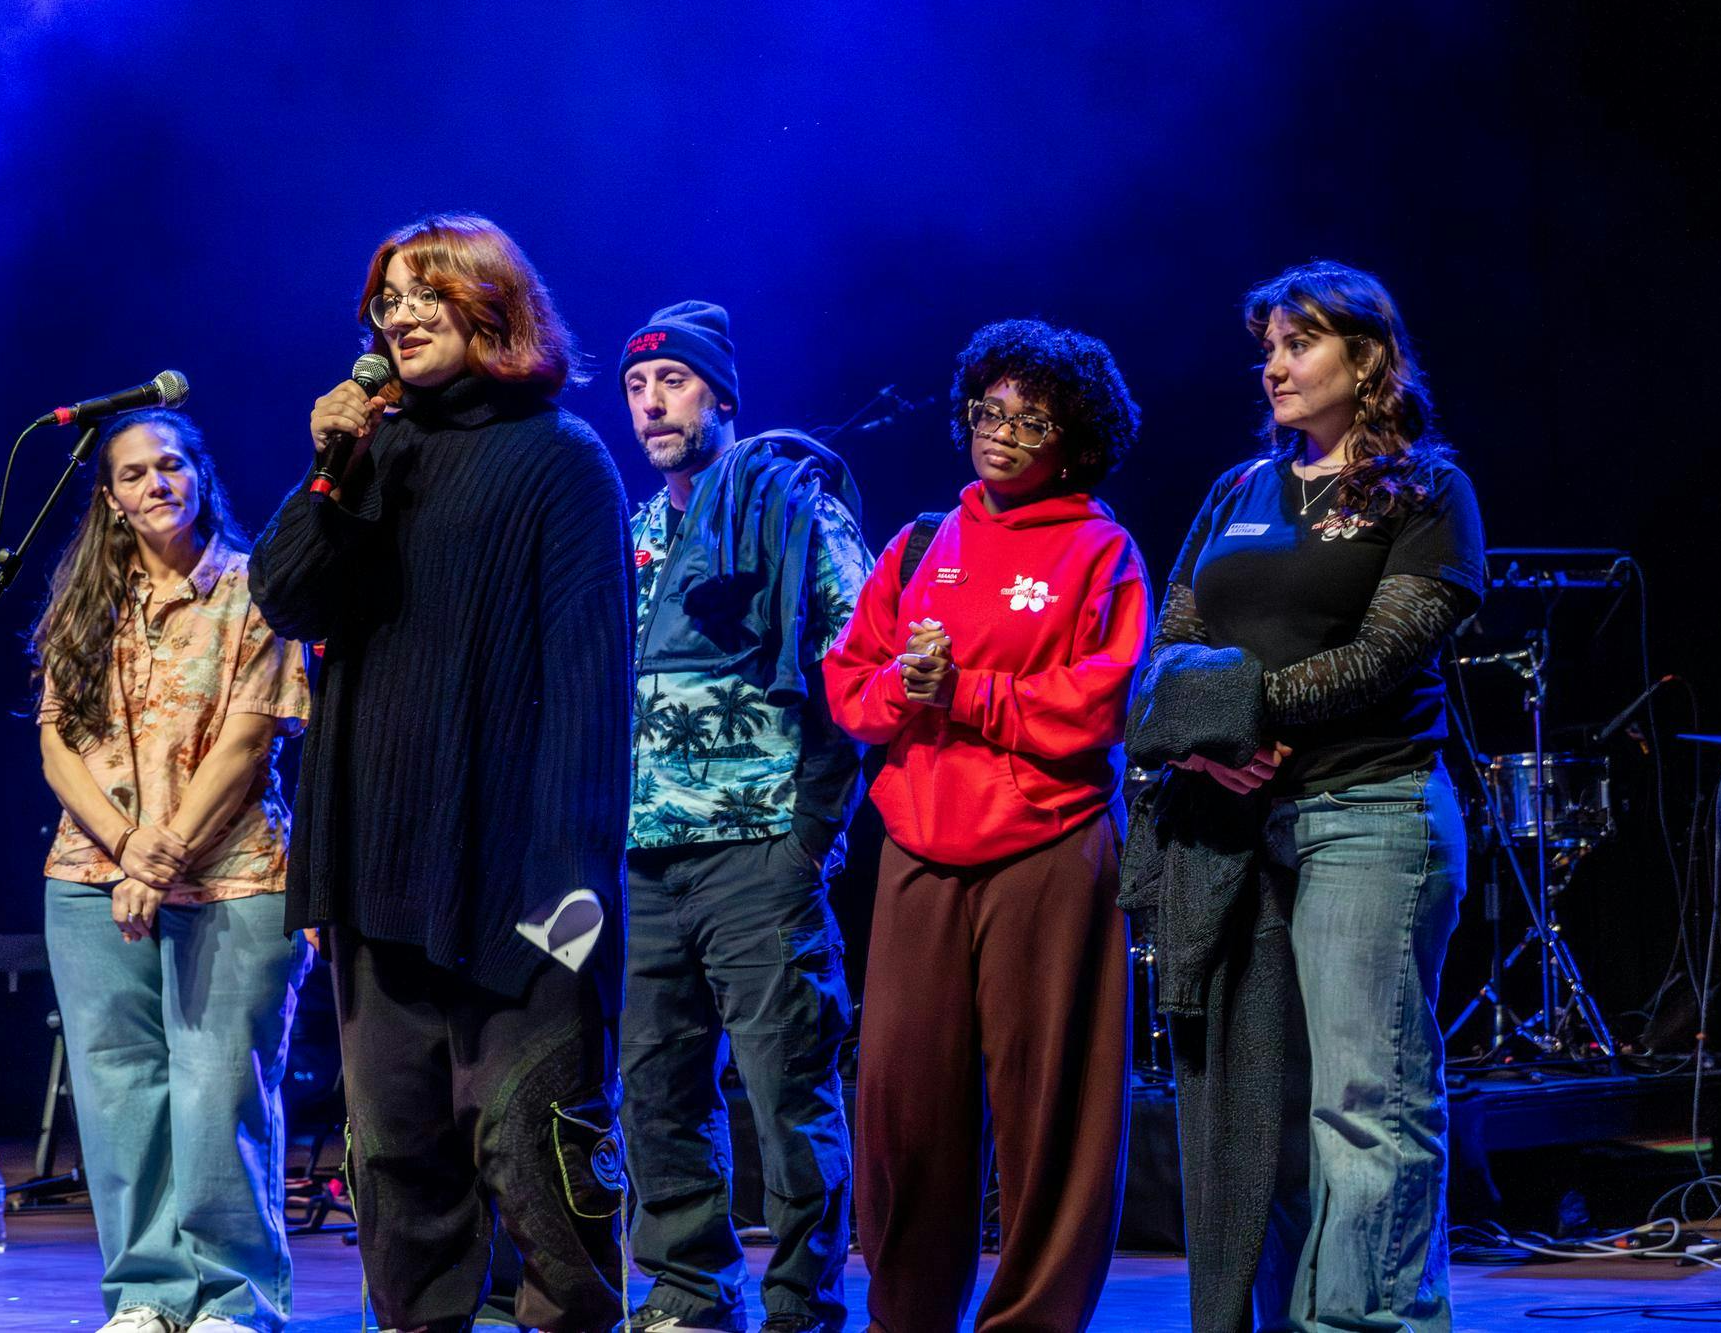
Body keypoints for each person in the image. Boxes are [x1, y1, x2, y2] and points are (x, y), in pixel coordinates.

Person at [248, 214, 634, 1333]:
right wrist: (330, 467)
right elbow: (283, 595)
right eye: (386, 301)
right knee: (399, 1178)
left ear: (493, 311)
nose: (399, 317)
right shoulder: (376, 453)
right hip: (378, 882)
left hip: (519, 890)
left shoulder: (562, 460)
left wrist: (571, 890)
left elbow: (587, 690)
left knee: (540, 1173)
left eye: (426, 295)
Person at [1130, 259, 1484, 1332]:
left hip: (1368, 814)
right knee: (1265, 1116)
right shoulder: (1236, 491)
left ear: (1364, 356)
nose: (1272, 364)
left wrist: (1240, 716)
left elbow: (1383, 657)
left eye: (1298, 343)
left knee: (1362, 1106)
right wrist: (1199, 742)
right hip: (1233, 827)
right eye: (1268, 346)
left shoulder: (1424, 489)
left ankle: (1366, 1323)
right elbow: (1168, 651)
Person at [822, 319, 1150, 1332]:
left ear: (1074, 437)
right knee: (902, 1107)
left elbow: (1098, 703)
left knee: (1048, 1105)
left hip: (1048, 846)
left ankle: (1033, 1315)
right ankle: (907, 1313)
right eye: (987, 411)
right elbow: (846, 682)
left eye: (1030, 418)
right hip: (918, 848)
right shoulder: (922, 541)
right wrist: (902, 691)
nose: (1000, 432)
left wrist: (964, 693)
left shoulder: (1099, 548)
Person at [32, 408, 314, 1333]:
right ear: (109, 499)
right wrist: (124, 847)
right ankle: (149, 1292)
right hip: (90, 873)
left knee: (218, 1085)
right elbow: (55, 746)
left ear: (200, 475)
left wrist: (162, 854)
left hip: (230, 872)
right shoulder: (88, 599)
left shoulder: (252, 587)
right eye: (135, 473)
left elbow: (247, 738)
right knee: (118, 1090)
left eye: (173, 465)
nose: (157, 483)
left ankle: (235, 1296)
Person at [618, 302, 870, 1333]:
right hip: (650, 852)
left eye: (670, 383)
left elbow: (857, 670)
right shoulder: (635, 533)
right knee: (654, 1085)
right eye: (635, 388)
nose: (649, 405)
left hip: (760, 842)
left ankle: (803, 1301)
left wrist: (810, 830)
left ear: (719, 393)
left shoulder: (793, 505)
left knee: (786, 1084)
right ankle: (687, 1286)